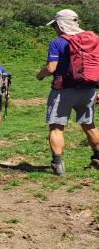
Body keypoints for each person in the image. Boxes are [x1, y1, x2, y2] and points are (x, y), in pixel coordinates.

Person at [36, 9, 99, 175]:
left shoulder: (57, 43)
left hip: (63, 90)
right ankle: (98, 158)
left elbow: (51, 68)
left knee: (56, 127)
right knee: (89, 125)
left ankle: (58, 164)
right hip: (88, 89)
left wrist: (40, 75)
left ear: (61, 24)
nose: (55, 28)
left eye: (55, 25)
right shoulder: (92, 40)